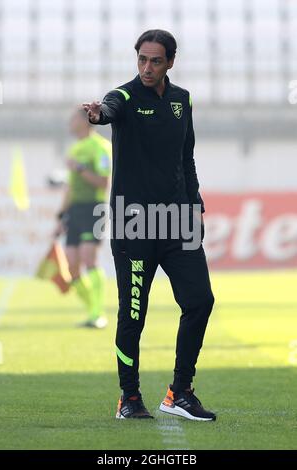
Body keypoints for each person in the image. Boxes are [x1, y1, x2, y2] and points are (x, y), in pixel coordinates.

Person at [83, 29, 216, 420]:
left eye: (155, 61)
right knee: (133, 314)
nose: (146, 67)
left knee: (200, 302)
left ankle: (180, 393)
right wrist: (96, 115)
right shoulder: (122, 97)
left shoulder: (182, 100)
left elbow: (186, 158)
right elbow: (106, 110)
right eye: (142, 59)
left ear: (170, 62)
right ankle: (129, 397)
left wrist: (195, 206)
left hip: (177, 223)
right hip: (134, 226)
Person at [55, 108, 111, 329]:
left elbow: (103, 183)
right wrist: (61, 215)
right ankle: (92, 311)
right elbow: (70, 187)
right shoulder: (75, 149)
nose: (69, 122)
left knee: (89, 258)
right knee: (71, 266)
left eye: (73, 118)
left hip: (93, 208)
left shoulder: (101, 147)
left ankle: (98, 313)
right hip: (75, 210)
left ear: (84, 121)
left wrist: (79, 168)